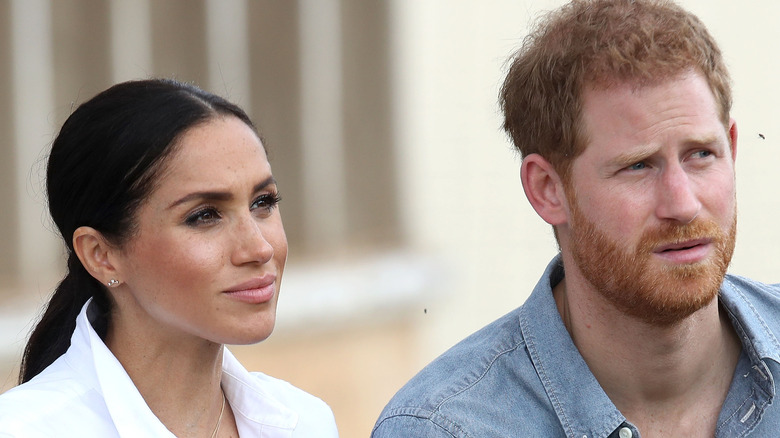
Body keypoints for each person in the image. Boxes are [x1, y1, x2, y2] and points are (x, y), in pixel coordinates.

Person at [372, 0, 780, 437]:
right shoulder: (446, 429)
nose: (682, 204)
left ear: (732, 149)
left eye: (701, 154)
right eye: (638, 166)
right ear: (548, 189)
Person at [0, 79, 339, 437]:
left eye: (263, 202)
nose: (259, 249)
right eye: (205, 215)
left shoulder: (304, 422)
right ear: (101, 255)